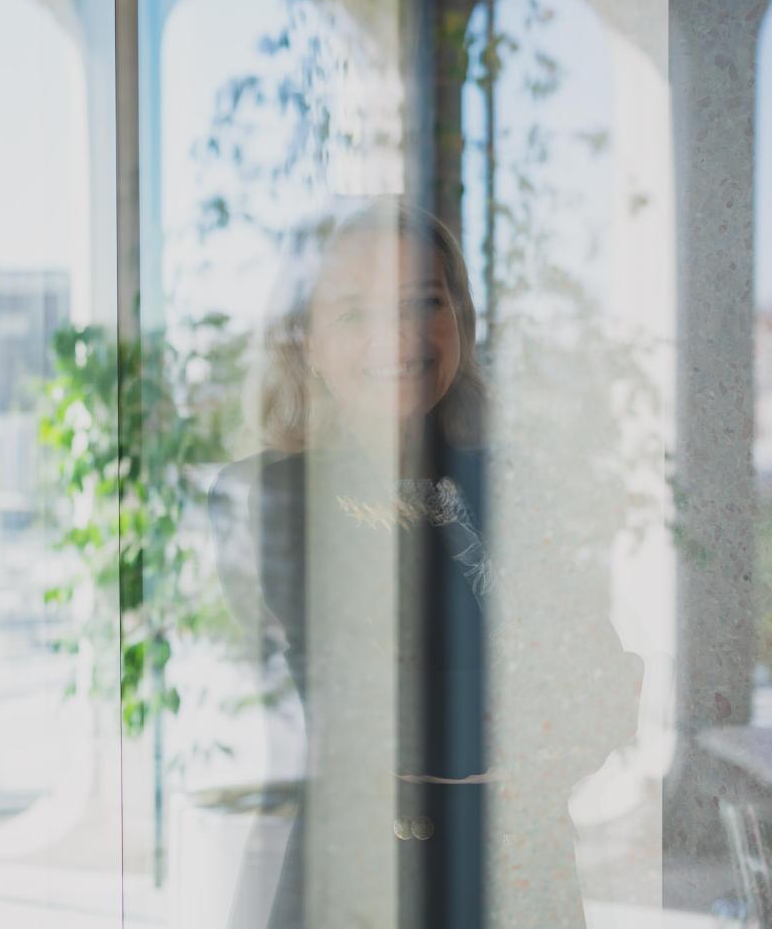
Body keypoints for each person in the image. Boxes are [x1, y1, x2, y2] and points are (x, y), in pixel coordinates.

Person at [208, 200, 635, 928]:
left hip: (519, 881)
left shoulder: (518, 482)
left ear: (460, 319)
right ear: (305, 339)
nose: (399, 336)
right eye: (353, 314)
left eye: (424, 303)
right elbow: (365, 701)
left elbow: (601, 691)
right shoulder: (263, 494)